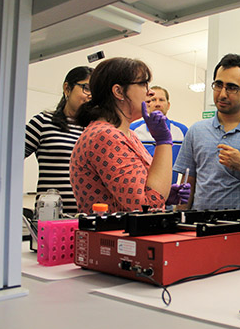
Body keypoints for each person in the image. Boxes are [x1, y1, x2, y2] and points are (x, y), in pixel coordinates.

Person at [69, 57, 189, 213]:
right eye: (143, 84)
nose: (150, 92)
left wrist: (166, 194)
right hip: (117, 235)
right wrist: (163, 141)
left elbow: (143, 191)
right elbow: (148, 205)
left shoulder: (127, 134)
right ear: (119, 91)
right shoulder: (105, 136)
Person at [173, 54, 240, 227]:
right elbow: (187, 184)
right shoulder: (196, 131)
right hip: (200, 230)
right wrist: (177, 223)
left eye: (231, 87)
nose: (222, 94)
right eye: (218, 85)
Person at [25, 66, 93, 215]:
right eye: (86, 88)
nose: (90, 96)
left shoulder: (94, 129)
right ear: (67, 88)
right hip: (51, 216)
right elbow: (7, 160)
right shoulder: (43, 122)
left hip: (87, 217)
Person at [130, 85, 188, 184]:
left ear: (168, 105)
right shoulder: (132, 129)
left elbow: (187, 166)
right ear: (146, 104)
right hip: (140, 188)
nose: (157, 104)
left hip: (170, 190)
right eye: (153, 100)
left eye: (161, 100)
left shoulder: (182, 131)